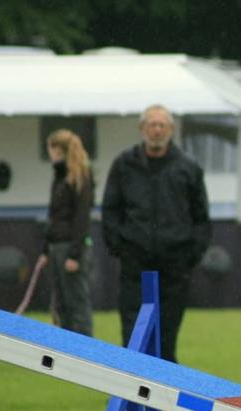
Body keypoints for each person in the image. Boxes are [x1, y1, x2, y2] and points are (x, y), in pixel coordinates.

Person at [101, 105, 210, 362]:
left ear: (171, 130)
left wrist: (190, 255)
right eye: (152, 124)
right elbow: (110, 210)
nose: (157, 130)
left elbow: (201, 218)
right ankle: (130, 390)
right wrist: (121, 247)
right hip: (135, 263)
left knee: (167, 334)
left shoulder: (188, 167)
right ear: (142, 129)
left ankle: (166, 393)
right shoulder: (123, 165)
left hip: (175, 265)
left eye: (162, 125)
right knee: (133, 332)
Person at [40, 129, 95, 336]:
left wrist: (75, 254)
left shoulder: (80, 178)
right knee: (61, 303)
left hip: (70, 247)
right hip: (56, 245)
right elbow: (53, 215)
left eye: (51, 150)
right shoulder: (60, 177)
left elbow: (81, 219)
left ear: (58, 150)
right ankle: (66, 348)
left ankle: (84, 348)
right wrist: (46, 249)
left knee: (76, 303)